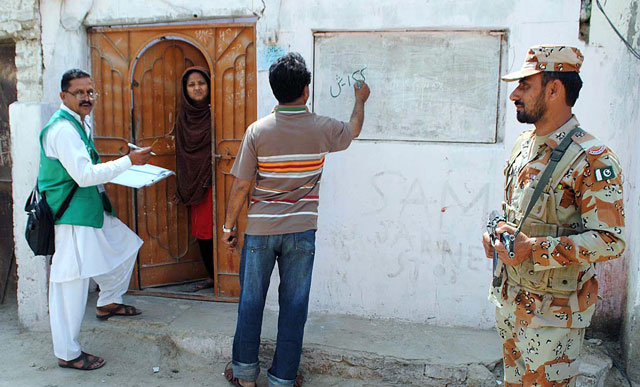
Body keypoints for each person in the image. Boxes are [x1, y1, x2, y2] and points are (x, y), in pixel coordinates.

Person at [222, 52, 370, 387]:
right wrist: (360, 100)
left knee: (250, 303)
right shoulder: (323, 128)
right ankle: (283, 379)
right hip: (301, 231)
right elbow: (354, 129)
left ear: (275, 91)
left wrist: (229, 227)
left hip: (260, 231)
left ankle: (245, 375)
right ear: (306, 89)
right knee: (294, 307)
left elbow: (242, 184)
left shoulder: (257, 131)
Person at [482, 45, 626, 386]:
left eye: (525, 85)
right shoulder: (524, 145)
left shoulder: (592, 159)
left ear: (554, 89)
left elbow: (610, 241)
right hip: (512, 302)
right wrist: (498, 232)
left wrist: (536, 249)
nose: (514, 94)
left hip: (554, 317)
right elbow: (517, 214)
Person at [39, 69, 153, 370]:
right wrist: (130, 161)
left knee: (125, 245)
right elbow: (84, 175)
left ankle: (108, 301)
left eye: (91, 92)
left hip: (89, 209)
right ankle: (67, 352)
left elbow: (87, 170)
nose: (87, 98)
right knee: (71, 283)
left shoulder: (78, 123)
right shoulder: (62, 129)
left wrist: (126, 171)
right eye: (79, 93)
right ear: (63, 96)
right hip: (72, 216)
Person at [173, 67, 215, 291]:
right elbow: (183, 151)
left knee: (224, 228)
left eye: (201, 83)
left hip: (218, 178)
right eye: (191, 84)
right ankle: (212, 275)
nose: (197, 88)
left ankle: (224, 276)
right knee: (203, 229)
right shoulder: (184, 117)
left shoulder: (217, 111)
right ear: (185, 90)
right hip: (195, 181)